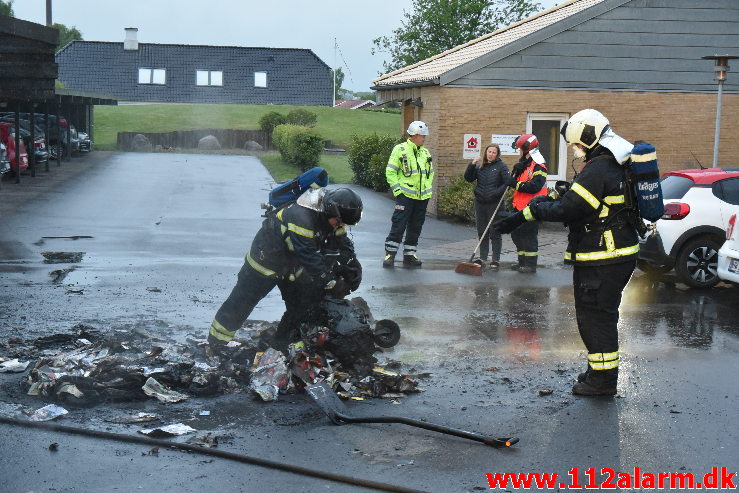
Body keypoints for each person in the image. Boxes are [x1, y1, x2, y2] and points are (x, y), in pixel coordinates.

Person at [494, 109, 639, 396]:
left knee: (595, 318)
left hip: (602, 257)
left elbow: (568, 209)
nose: (576, 150)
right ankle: (598, 372)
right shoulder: (614, 164)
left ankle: (603, 382)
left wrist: (532, 210)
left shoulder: (598, 169)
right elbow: (585, 202)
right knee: (602, 316)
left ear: (587, 138)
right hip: (618, 253)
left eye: (577, 145)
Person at [207, 187, 363, 351]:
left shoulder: (331, 216)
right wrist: (330, 282)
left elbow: (342, 242)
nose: (339, 225)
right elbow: (308, 255)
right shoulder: (301, 217)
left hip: (290, 268)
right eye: (338, 222)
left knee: (302, 306)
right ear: (330, 211)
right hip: (265, 264)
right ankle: (216, 344)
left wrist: (352, 264)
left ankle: (281, 345)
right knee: (240, 304)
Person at [383, 120, 434, 268]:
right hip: (405, 196)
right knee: (399, 224)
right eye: (422, 135)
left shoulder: (425, 152)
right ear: (414, 135)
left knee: (416, 226)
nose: (424, 138)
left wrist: (427, 188)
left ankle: (410, 255)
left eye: (424, 136)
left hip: (422, 197)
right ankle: (390, 255)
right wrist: (398, 191)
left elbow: (430, 172)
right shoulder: (400, 149)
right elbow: (390, 171)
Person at [504, 134, 548, 273]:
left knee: (529, 237)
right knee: (517, 235)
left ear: (527, 149)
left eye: (521, 149)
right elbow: (521, 181)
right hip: (518, 206)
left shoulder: (539, 166)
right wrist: (516, 171)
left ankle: (530, 265)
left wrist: (515, 183)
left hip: (532, 208)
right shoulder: (525, 164)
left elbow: (534, 187)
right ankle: (521, 262)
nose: (520, 152)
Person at [463, 144, 510, 270]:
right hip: (480, 203)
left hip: (495, 203)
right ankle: (483, 257)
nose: (491, 154)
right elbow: (468, 178)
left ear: (497, 154)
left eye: (494, 152)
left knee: (495, 231)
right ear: (486, 152)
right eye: (489, 151)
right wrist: (472, 164)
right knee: (482, 231)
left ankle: (495, 260)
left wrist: (496, 194)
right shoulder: (480, 167)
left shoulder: (501, 167)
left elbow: (507, 183)